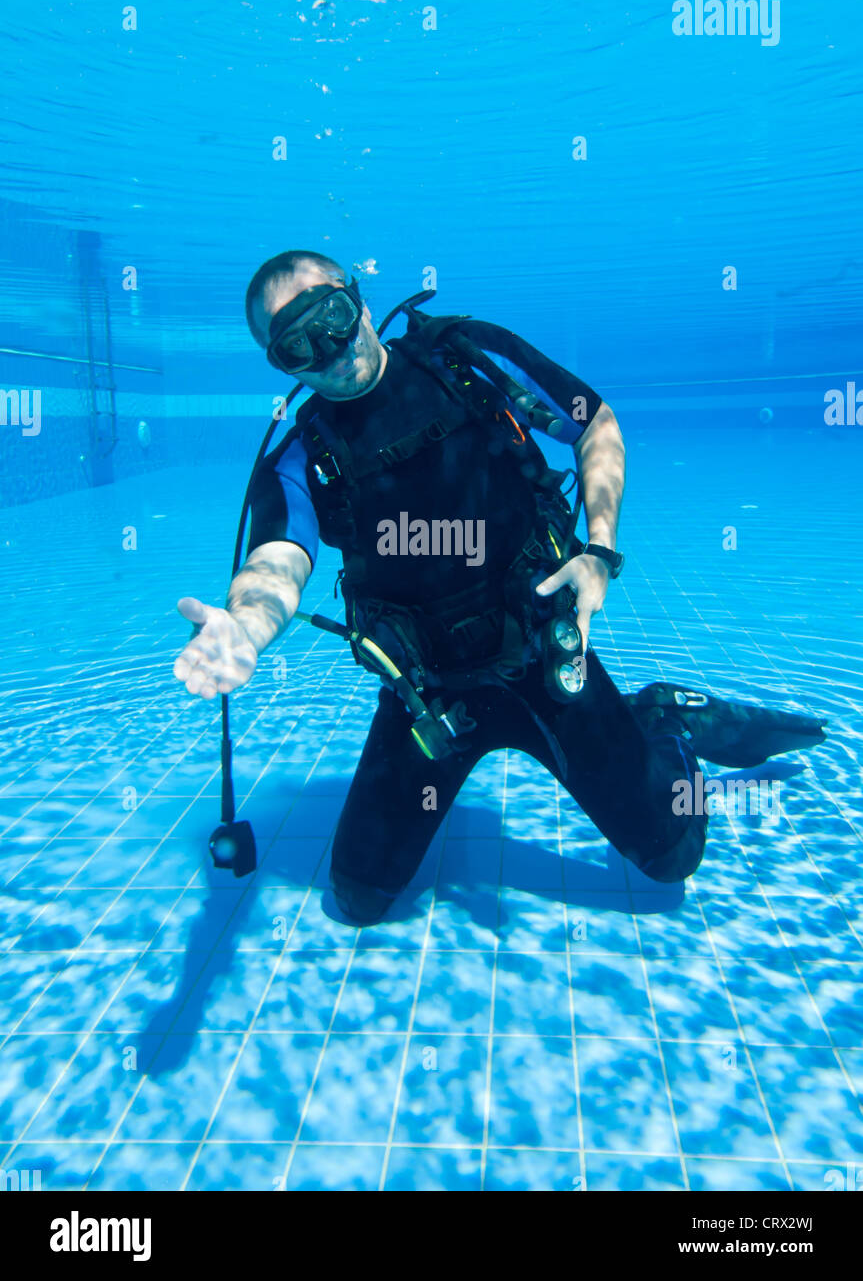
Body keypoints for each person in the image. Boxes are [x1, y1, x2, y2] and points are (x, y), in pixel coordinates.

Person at [173, 250, 826, 924]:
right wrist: (244, 627)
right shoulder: (301, 458)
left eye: (332, 317)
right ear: (282, 364)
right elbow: (277, 559)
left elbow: (593, 422)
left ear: (361, 303)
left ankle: (661, 720)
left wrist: (598, 550)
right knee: (358, 898)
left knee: (671, 857)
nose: (329, 348)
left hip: (544, 657)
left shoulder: (465, 361)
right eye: (297, 345)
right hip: (428, 695)